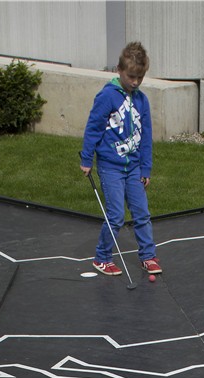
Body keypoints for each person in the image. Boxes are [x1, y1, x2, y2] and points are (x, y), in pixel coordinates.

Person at [79, 41, 161, 278]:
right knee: (115, 215)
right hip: (110, 167)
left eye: (140, 77)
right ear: (119, 70)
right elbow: (93, 127)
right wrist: (87, 158)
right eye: (131, 76)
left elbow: (146, 137)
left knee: (141, 213)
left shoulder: (142, 100)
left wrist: (146, 168)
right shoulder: (107, 96)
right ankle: (102, 257)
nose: (135, 82)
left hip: (134, 167)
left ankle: (148, 256)